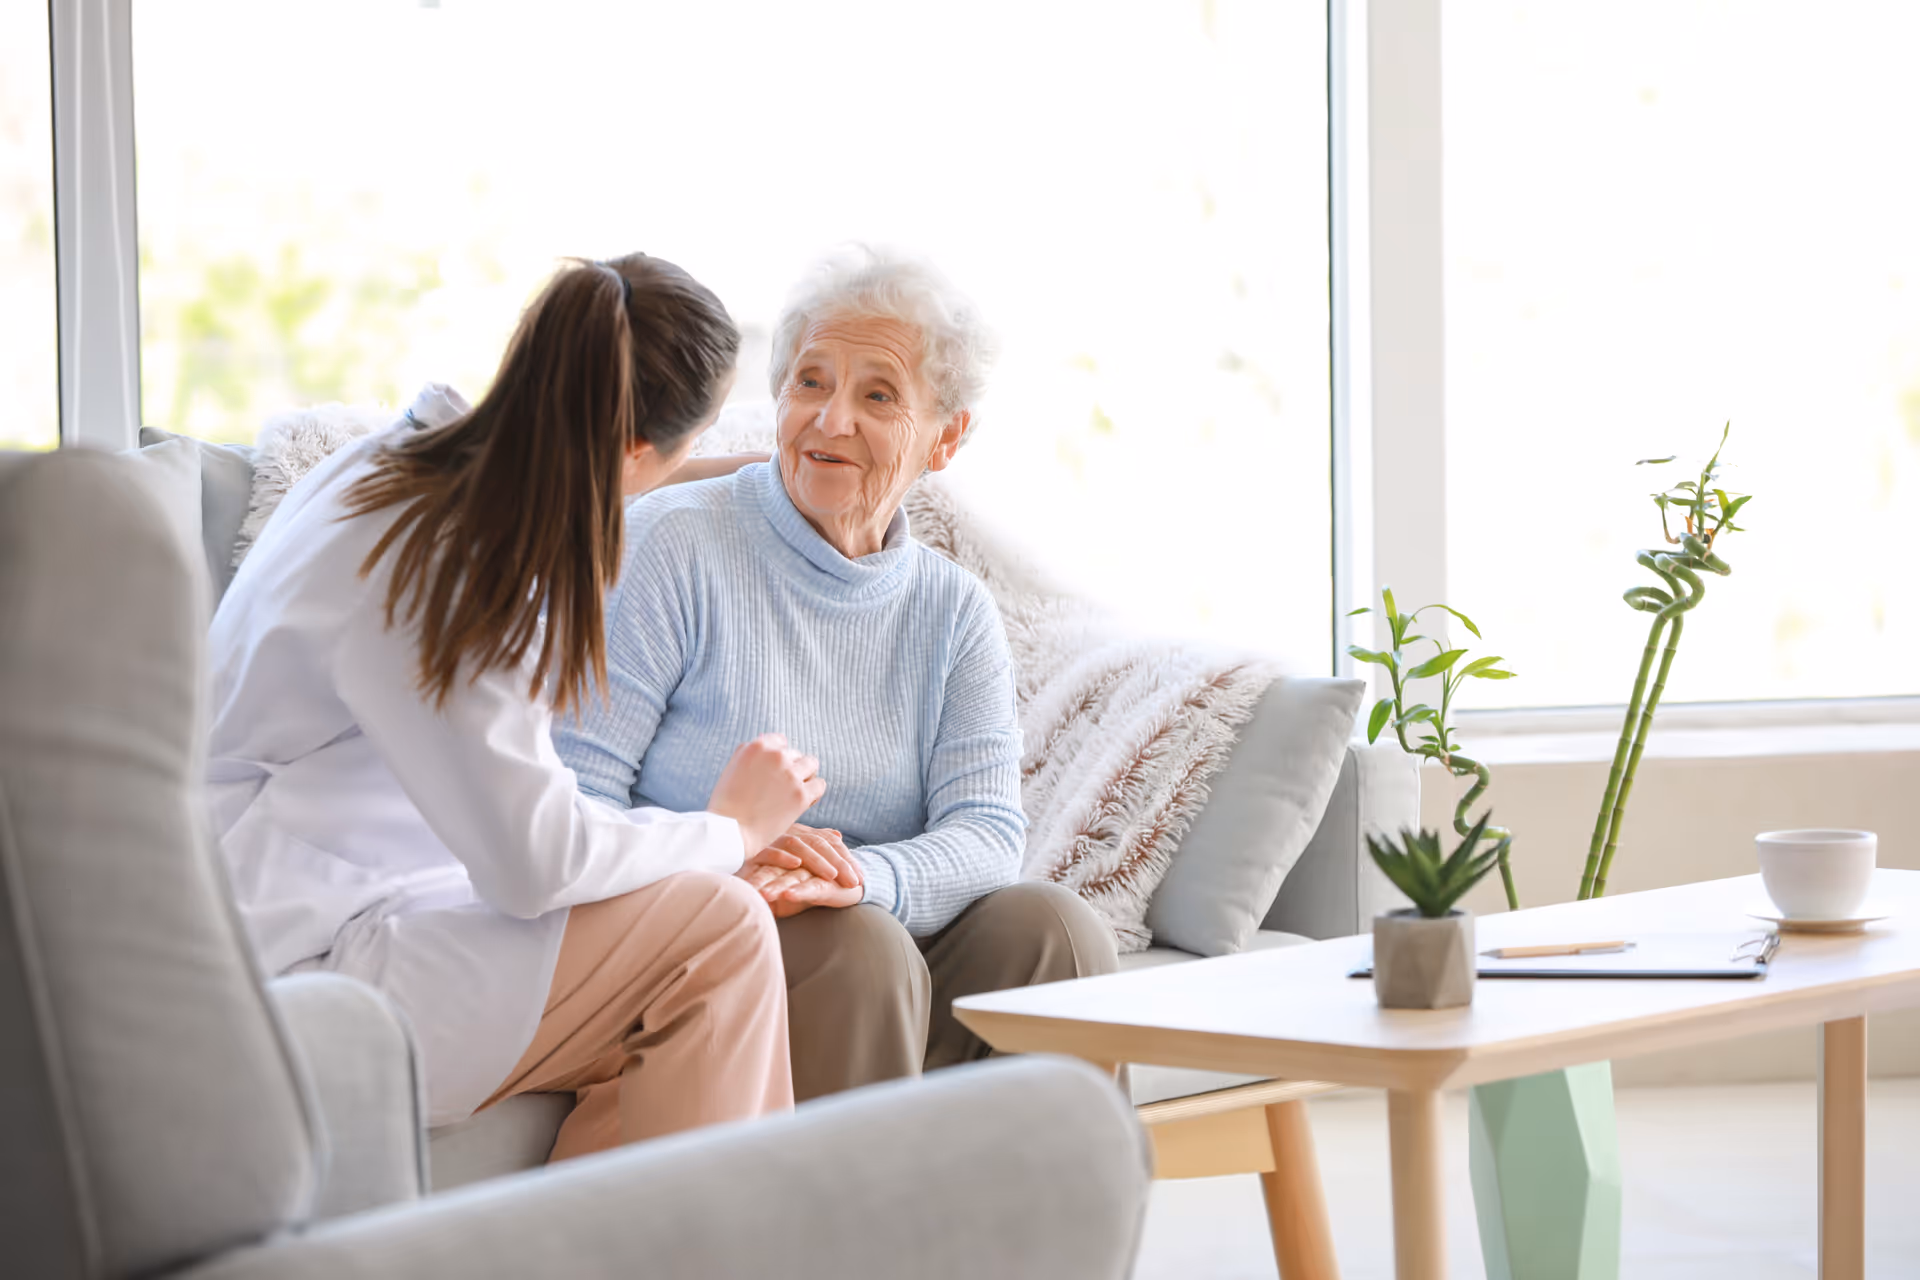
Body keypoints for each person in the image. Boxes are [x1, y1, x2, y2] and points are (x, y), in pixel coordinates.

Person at [206, 254, 824, 1159]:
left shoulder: (387, 467)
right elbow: (535, 865)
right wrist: (730, 829)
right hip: (297, 971)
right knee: (715, 932)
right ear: (634, 452)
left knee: (671, 953)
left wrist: (744, 476)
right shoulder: (449, 572)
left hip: (304, 902)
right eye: (676, 457)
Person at [554, 247, 1118, 1103]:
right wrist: (726, 859)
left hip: (869, 929)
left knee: (1056, 933)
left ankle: (1044, 1227)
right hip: (701, 934)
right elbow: (576, 798)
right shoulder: (673, 545)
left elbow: (988, 835)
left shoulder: (953, 610)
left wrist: (859, 881)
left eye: (878, 395)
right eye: (810, 383)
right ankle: (849, 1229)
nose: (830, 421)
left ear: (947, 437)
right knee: (856, 948)